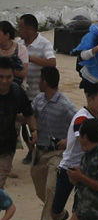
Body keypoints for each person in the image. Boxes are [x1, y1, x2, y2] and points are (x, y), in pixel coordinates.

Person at [48, 82, 98, 220]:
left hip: (86, 170)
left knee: (79, 209)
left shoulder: (97, 117)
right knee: (57, 208)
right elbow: (85, 142)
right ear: (90, 100)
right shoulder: (81, 118)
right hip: (69, 168)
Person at [32, 67, 77, 220]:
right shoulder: (38, 99)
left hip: (57, 154)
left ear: (45, 82)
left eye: (40, 80)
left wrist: (68, 140)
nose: (38, 83)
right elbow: (31, 114)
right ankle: (59, 213)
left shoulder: (65, 105)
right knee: (40, 189)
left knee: (51, 188)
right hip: (40, 152)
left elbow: (80, 124)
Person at [18, 13, 57, 166]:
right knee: (23, 124)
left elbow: (52, 62)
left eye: (21, 27)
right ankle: (30, 150)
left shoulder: (44, 43)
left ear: (31, 29)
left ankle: (41, 150)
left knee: (39, 124)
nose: (19, 30)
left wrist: (29, 58)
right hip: (22, 91)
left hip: (39, 93)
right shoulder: (18, 43)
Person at [0, 56, 37, 189]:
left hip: (5, 148)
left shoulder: (16, 92)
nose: (4, 81)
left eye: (8, 77)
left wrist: (34, 131)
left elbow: (29, 114)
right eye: (0, 77)